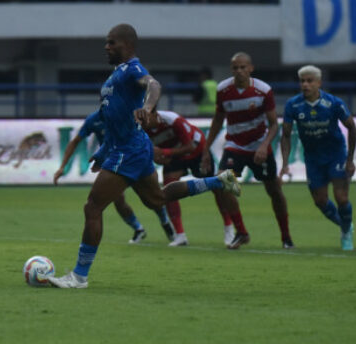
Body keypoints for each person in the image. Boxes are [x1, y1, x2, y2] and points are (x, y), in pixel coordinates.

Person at [48, 24, 240, 289]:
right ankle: (218, 182)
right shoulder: (114, 77)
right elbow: (111, 119)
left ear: (127, 45)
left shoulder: (132, 69)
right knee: (157, 198)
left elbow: (153, 84)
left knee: (93, 207)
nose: (107, 47)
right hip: (129, 148)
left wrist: (148, 107)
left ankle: (79, 276)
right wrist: (102, 152)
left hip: (129, 150)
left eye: (111, 42)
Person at [202, 52, 294, 250]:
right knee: (224, 182)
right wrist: (205, 148)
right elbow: (218, 120)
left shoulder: (263, 90)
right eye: (235, 68)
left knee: (274, 191)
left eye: (243, 67)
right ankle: (241, 232)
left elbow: (273, 124)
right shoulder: (223, 89)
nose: (239, 71)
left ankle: (286, 237)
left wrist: (264, 146)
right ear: (231, 70)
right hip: (235, 145)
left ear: (251, 68)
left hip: (259, 145)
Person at [54, 109, 177, 244]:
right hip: (113, 163)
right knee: (117, 199)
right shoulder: (93, 120)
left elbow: (142, 132)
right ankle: (138, 229)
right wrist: (62, 167)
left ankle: (165, 222)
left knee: (151, 197)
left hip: (133, 158)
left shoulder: (125, 114)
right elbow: (76, 141)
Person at [142, 107, 248, 247]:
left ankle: (229, 229)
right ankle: (180, 236)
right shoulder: (141, 128)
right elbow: (151, 152)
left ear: (156, 115)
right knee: (167, 190)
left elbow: (190, 146)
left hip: (197, 152)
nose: (145, 121)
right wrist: (158, 158)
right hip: (175, 156)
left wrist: (164, 152)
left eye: (148, 117)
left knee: (218, 188)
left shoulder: (173, 120)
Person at [279, 65, 356, 250]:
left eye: (309, 81)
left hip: (336, 154)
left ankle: (346, 234)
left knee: (342, 198)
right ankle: (345, 225)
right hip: (313, 158)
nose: (305, 85)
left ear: (319, 83)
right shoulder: (293, 105)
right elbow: (286, 135)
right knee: (320, 201)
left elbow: (352, 127)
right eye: (302, 81)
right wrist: (284, 164)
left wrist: (350, 159)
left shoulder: (334, 103)